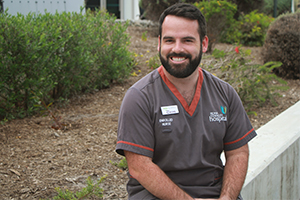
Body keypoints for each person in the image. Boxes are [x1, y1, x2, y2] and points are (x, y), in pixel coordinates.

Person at [116, 3, 257, 200]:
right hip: (156, 195)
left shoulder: (224, 93)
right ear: (159, 43)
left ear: (204, 44)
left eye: (187, 40)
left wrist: (227, 197)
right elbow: (139, 167)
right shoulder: (140, 97)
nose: (177, 49)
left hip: (214, 192)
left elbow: (238, 153)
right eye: (169, 40)